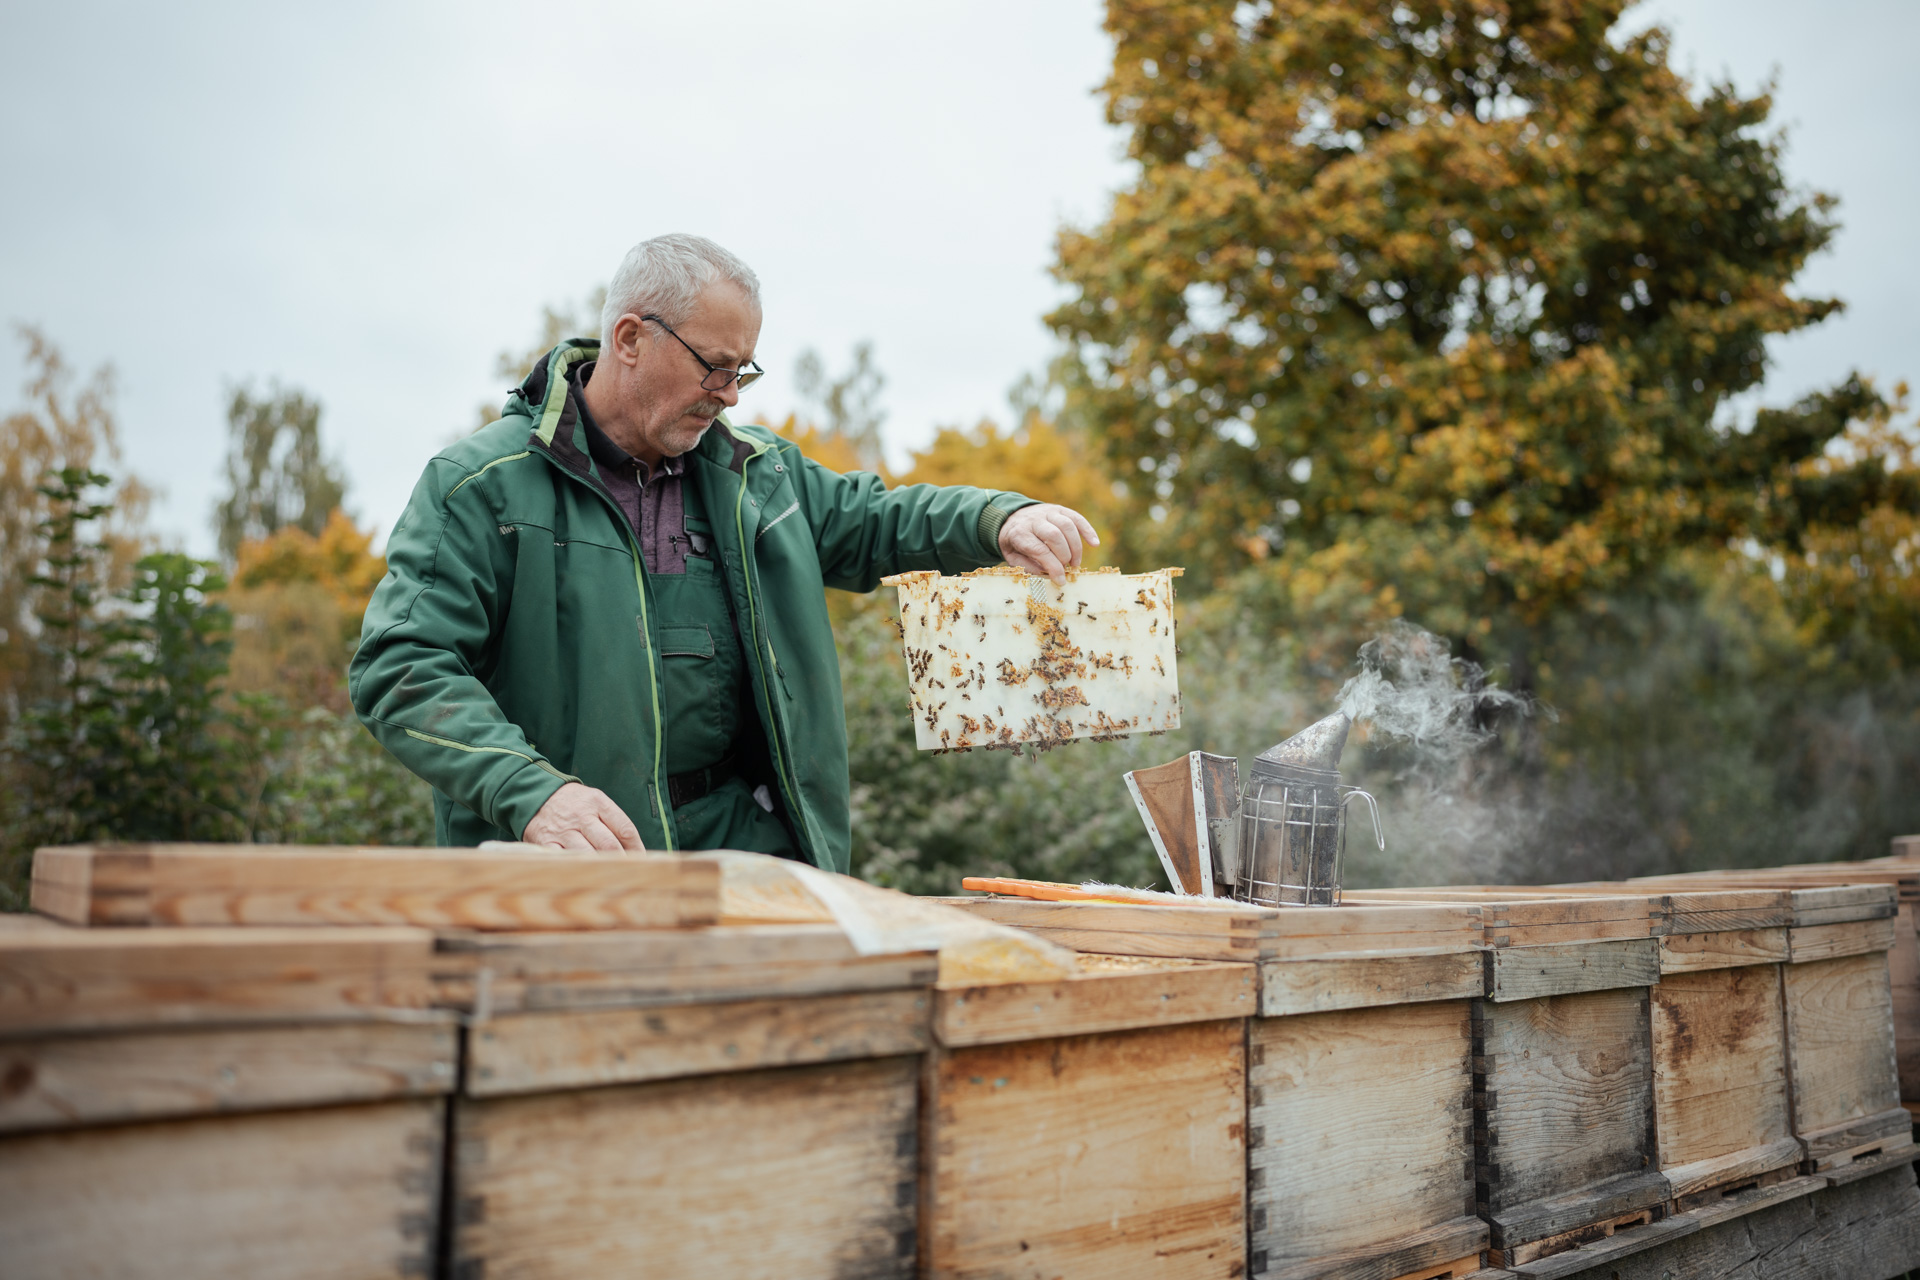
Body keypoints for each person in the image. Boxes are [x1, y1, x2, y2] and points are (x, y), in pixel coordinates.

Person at [349, 234, 1098, 871]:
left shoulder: (758, 473)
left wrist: (998, 518)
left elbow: (875, 520)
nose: (731, 394)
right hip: (570, 868)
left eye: (742, 371)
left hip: (745, 855)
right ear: (630, 339)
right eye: (714, 365)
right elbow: (401, 665)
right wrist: (532, 792)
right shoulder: (480, 485)